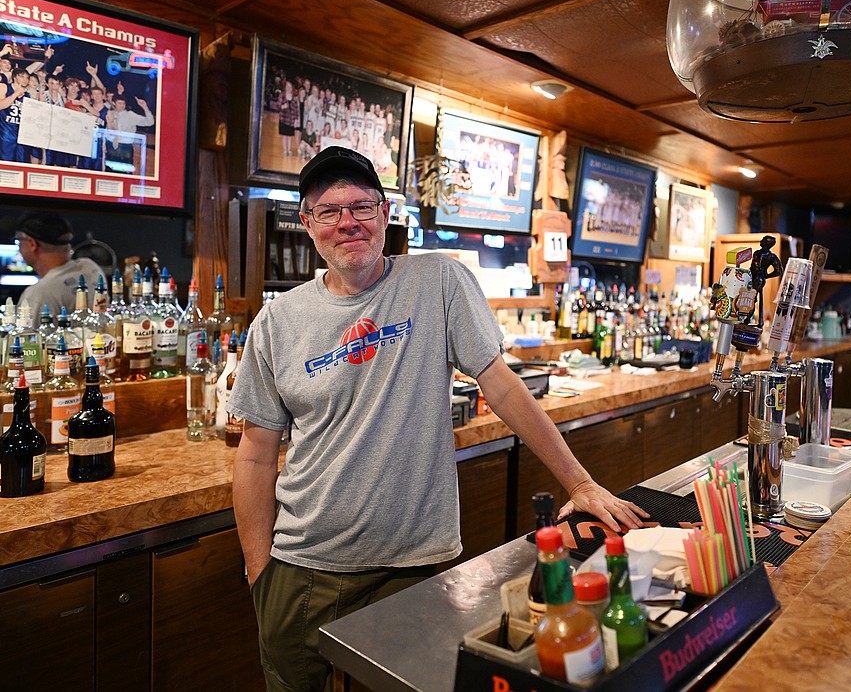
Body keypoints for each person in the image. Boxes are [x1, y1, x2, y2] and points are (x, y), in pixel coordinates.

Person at [230, 146, 648, 692]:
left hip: (415, 565)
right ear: (307, 223)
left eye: (362, 206)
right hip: (305, 566)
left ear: (384, 214)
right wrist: (261, 575)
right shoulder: (277, 321)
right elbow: (257, 453)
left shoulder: (439, 282)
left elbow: (500, 384)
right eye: (329, 211)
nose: (348, 222)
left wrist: (581, 482)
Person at [14, 211, 106, 315]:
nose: (18, 248)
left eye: (18, 241)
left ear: (32, 244)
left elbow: (26, 331)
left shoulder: (37, 295)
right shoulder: (91, 267)